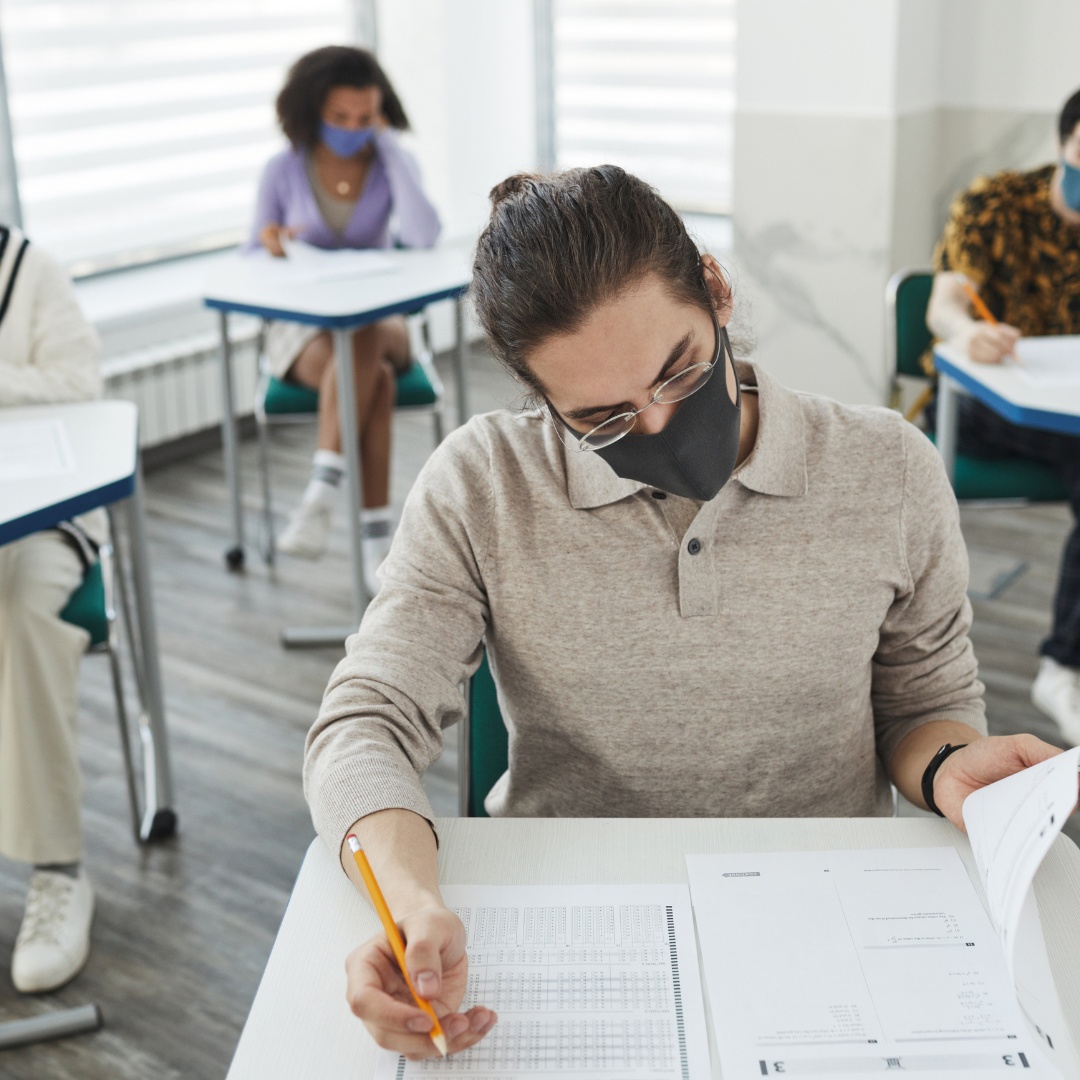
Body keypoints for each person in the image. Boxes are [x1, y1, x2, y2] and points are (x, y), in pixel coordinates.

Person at [303, 167, 1066, 1059]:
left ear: (717, 287)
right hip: (581, 918)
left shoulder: (888, 468)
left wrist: (946, 765)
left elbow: (919, 702)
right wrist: (408, 899)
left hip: (827, 913)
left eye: (680, 370)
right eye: (604, 418)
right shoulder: (484, 484)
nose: (661, 422)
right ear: (541, 400)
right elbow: (364, 723)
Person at [246, 45, 441, 589]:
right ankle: (376, 538)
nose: (353, 129)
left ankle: (320, 490)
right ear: (311, 110)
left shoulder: (388, 162)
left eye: (365, 118)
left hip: (384, 323)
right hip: (308, 332)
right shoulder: (282, 169)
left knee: (365, 331)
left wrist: (391, 148)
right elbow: (250, 256)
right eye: (340, 118)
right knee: (370, 378)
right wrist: (271, 246)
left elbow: (424, 234)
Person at [927, 86, 1080, 746]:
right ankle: (1065, 665)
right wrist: (965, 335)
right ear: (1063, 144)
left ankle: (1064, 661)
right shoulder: (995, 204)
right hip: (986, 401)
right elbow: (943, 302)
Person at [0, 224, 104, 993]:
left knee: (17, 611)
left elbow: (77, 382)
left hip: (39, 513)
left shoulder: (28, 268)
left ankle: (57, 869)